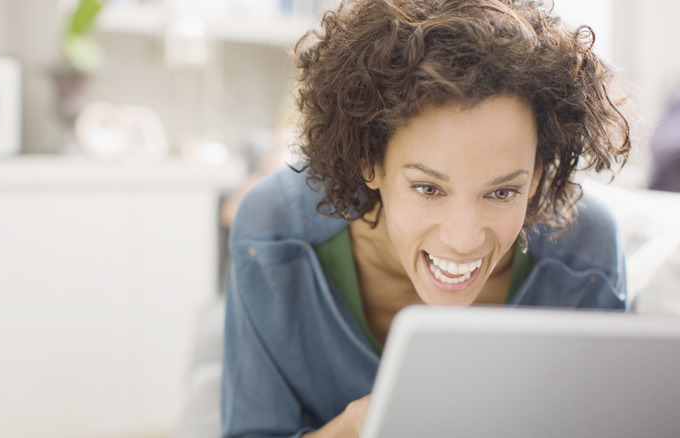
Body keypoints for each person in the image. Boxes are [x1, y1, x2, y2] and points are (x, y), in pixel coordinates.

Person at [222, 0, 631, 436]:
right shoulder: (273, 231)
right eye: (428, 188)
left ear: (538, 175)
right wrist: (353, 429)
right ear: (370, 162)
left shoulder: (587, 255)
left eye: (502, 191)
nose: (464, 239)